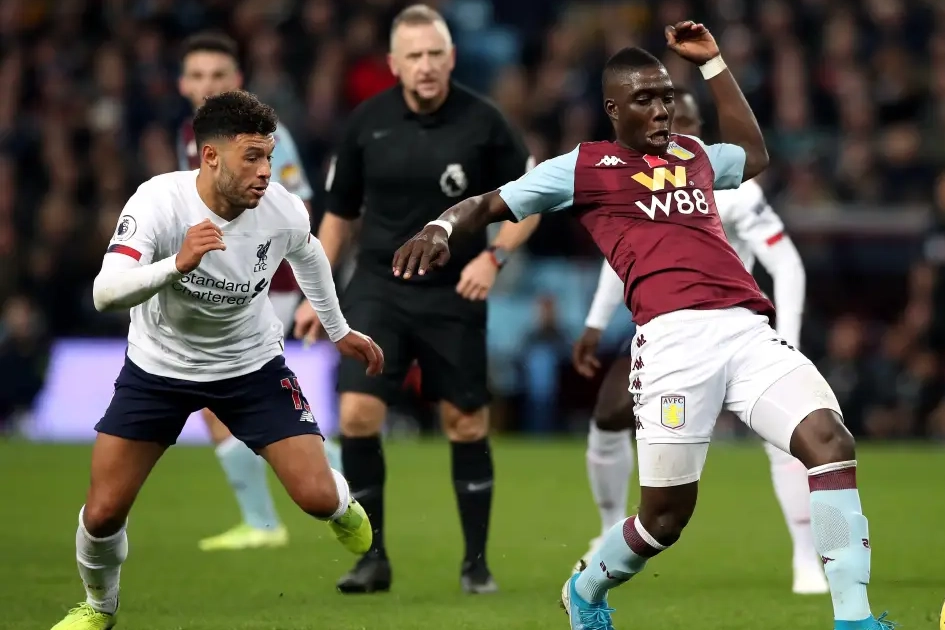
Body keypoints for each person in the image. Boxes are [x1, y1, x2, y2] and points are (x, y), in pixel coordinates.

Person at [394, 22, 894, 630]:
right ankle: (586, 588)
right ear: (613, 109)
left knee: (831, 444)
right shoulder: (585, 166)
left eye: (665, 97)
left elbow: (755, 154)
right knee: (664, 519)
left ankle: (853, 618)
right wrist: (441, 227)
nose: (661, 110)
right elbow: (492, 202)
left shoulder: (694, 156)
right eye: (644, 100)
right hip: (672, 347)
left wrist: (713, 64)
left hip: (747, 330)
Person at [51, 90, 381, 630]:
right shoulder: (159, 202)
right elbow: (104, 293)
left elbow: (309, 252)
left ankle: (342, 507)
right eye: (252, 157)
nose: (265, 170)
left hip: (251, 366)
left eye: (268, 156)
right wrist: (176, 264)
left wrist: (338, 328)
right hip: (159, 369)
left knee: (318, 497)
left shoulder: (281, 208)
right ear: (210, 156)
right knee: (104, 511)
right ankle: (99, 607)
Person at [292, 4, 539, 595]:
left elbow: (531, 200)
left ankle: (475, 565)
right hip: (378, 286)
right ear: (394, 63)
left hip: (453, 290)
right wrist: (313, 294)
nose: (425, 65)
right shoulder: (366, 122)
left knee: (465, 422)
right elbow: (338, 215)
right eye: (414, 56)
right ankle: (372, 558)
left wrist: (493, 257)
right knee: (357, 414)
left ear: (451, 58)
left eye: (435, 54)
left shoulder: (485, 122)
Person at [571, 86, 825, 595]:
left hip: (739, 333)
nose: (671, 128)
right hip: (670, 337)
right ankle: (608, 528)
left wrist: (788, 340)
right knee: (609, 414)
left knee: (793, 438)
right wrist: (596, 324)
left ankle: (806, 558)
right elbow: (619, 259)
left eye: (684, 121)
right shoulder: (636, 181)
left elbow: (787, 264)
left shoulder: (733, 188)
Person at [175, 31, 340, 552]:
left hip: (268, 283)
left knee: (226, 397)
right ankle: (309, 499)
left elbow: (300, 204)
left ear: (237, 80)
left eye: (218, 75)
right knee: (227, 401)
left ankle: (282, 515)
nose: (207, 85)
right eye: (197, 75)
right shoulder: (191, 134)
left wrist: (306, 288)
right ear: (182, 83)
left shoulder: (266, 133)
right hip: (220, 283)